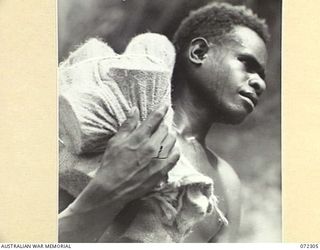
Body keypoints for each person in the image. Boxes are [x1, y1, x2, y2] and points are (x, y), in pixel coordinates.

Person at [59, 2, 270, 243]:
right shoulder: (117, 125)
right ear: (199, 52)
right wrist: (108, 189)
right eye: (247, 65)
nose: (259, 84)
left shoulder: (227, 183)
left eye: (262, 76)